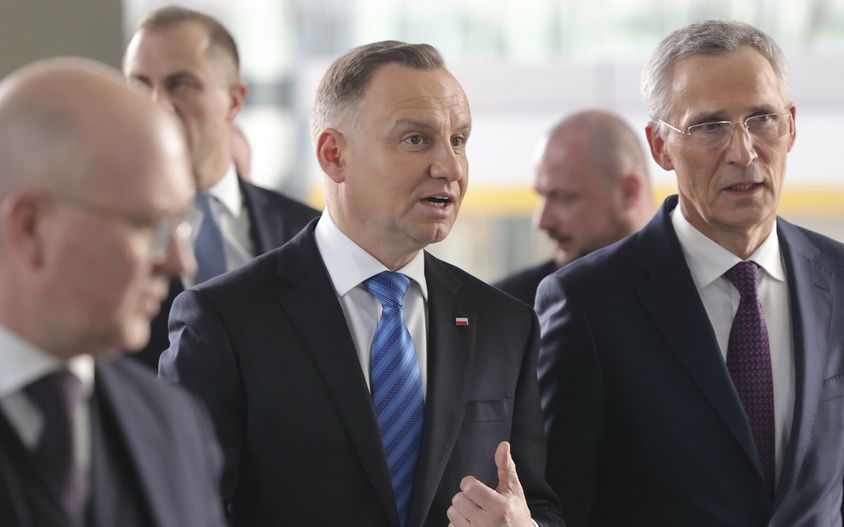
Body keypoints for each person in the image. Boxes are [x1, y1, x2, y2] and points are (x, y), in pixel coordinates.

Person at [159, 41, 563, 527]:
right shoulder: (225, 319)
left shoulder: (504, 323)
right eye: (416, 139)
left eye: (458, 140)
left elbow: (537, 503)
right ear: (334, 156)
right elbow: (179, 510)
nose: (450, 167)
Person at [536, 20, 844, 526]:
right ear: (660, 146)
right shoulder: (586, 302)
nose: (744, 152)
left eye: (761, 118)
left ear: (792, 126)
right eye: (709, 126)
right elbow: (562, 506)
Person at [0, 58, 225, 527]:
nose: (180, 263)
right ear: (32, 227)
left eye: (182, 224)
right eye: (150, 226)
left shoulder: (174, 426)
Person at [123, 5, 320, 370]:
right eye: (140, 85)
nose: (157, 106)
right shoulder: (102, 232)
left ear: (234, 100)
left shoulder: (310, 233)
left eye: (179, 84)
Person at [493, 109, 655, 306]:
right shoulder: (508, 308)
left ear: (629, 192)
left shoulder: (690, 286)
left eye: (564, 198)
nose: (543, 222)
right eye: (542, 196)